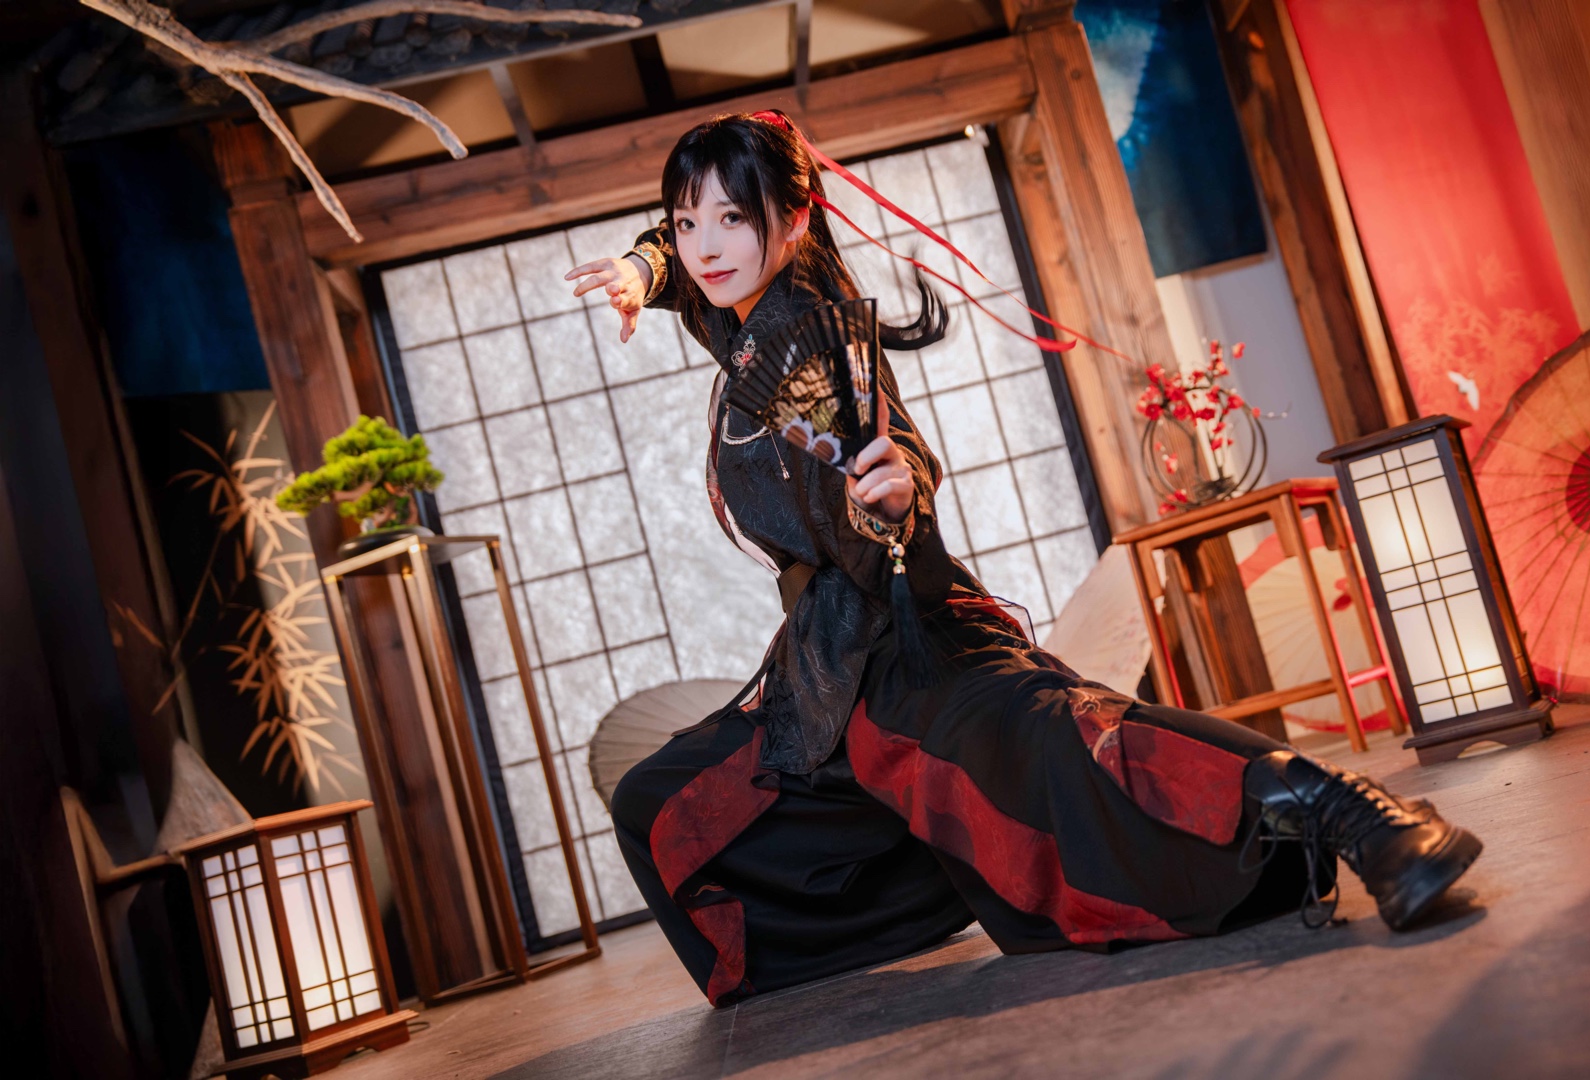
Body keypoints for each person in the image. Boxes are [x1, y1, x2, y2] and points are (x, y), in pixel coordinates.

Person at [563, 111, 1480, 1008]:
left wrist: (895, 498)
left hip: (907, 636)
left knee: (1070, 739)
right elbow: (692, 269)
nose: (705, 245)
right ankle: (944, 872)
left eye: (731, 217)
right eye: (688, 221)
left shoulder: (812, 340)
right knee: (657, 802)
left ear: (796, 219)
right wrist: (645, 269)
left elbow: (881, 445)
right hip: (823, 671)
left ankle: (1362, 816)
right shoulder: (741, 317)